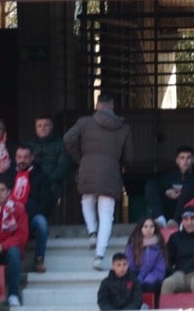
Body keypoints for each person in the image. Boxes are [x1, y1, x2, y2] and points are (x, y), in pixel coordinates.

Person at [65, 95, 132, 270]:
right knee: (106, 214)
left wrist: (81, 158)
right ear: (112, 105)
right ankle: (99, 256)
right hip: (110, 171)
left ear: (97, 105)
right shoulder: (123, 127)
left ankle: (92, 233)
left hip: (87, 168)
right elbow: (129, 157)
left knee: (86, 199)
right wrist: (119, 164)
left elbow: (68, 139)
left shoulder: (85, 122)